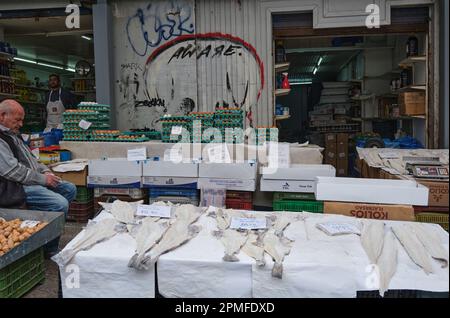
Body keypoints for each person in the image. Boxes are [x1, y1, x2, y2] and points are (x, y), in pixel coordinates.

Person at [0, 99, 76, 254]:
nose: (21, 124)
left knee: (69, 188)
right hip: (14, 186)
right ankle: (49, 249)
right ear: (2, 116)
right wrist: (43, 179)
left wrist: (45, 171)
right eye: (17, 120)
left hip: (30, 180)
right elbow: (12, 171)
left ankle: (44, 228)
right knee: (59, 204)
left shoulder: (14, 134)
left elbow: (32, 160)